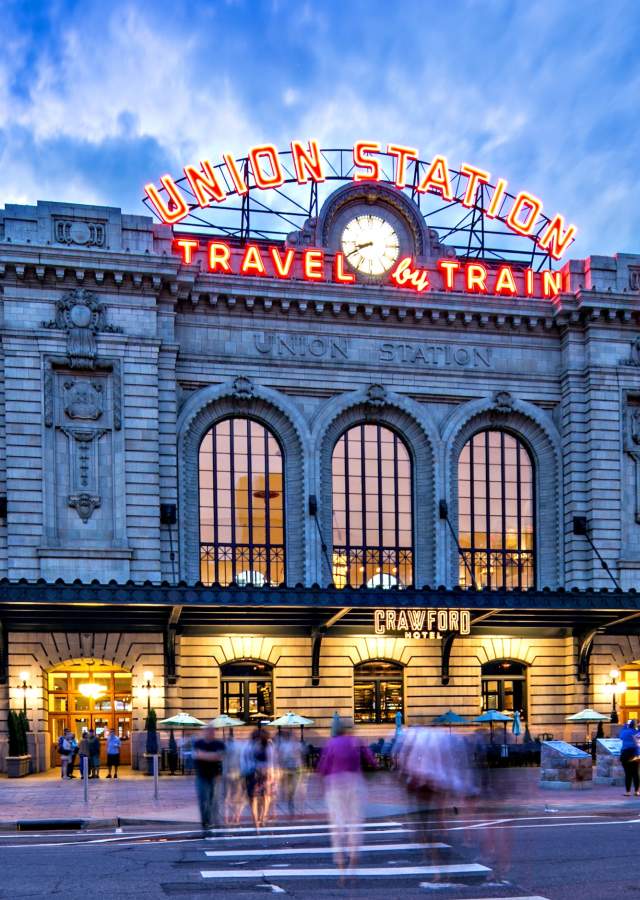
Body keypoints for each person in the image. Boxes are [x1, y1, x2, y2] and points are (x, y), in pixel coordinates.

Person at [316, 722, 376, 875]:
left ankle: (340, 859)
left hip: (334, 783)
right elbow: (372, 761)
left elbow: (323, 767)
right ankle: (354, 854)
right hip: (354, 782)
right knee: (355, 821)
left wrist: (320, 786)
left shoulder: (331, 743)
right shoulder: (357, 741)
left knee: (337, 822)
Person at [193, 723, 226, 831]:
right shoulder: (199, 743)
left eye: (212, 731)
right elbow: (198, 755)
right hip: (201, 775)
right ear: (205, 732)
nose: (210, 733)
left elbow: (220, 757)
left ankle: (213, 820)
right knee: (204, 799)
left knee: (213, 800)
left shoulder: (219, 744)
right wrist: (212, 756)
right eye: (208, 731)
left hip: (215, 776)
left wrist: (204, 755)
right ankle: (206, 821)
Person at [242, 729, 276, 830]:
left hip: (264, 774)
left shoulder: (269, 746)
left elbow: (271, 761)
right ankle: (256, 820)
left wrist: (271, 774)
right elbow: (244, 759)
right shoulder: (248, 746)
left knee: (265, 796)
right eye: (257, 738)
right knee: (253, 798)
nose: (258, 740)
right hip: (252, 773)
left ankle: (262, 817)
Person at [275, 730, 304, 816]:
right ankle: (289, 796)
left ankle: (290, 797)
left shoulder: (297, 745)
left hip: (295, 768)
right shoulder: (285, 745)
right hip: (289, 768)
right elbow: (280, 756)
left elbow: (301, 755)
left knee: (292, 786)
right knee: (289, 785)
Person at [619, 719, 640, 796]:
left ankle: (627, 792)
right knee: (635, 773)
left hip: (625, 754)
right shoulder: (637, 732)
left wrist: (625, 726)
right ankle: (637, 791)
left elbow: (620, 737)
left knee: (627, 774)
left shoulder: (624, 732)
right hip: (634, 754)